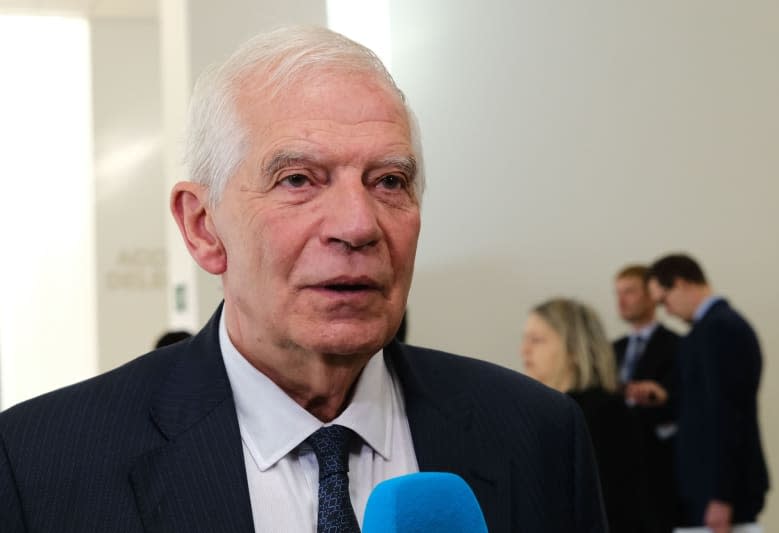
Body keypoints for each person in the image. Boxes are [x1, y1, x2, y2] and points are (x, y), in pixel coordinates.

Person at [0, 27, 606, 532]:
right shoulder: (41, 465)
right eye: (298, 179)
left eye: (389, 181)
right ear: (204, 227)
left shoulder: (538, 435)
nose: (357, 225)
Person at [647, 253, 769, 533]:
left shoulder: (721, 329)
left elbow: (727, 415)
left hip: (719, 490)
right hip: (708, 485)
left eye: (663, 300)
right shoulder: (709, 330)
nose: (666, 310)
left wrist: (721, 496)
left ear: (680, 283)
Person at [521, 298, 646, 533]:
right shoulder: (546, 411)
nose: (524, 350)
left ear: (574, 349)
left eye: (536, 340)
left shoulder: (601, 413)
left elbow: (610, 503)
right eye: (525, 340)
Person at [613, 264, 680, 533]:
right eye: (617, 293)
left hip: (660, 472)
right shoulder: (611, 350)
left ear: (652, 294)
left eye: (629, 291)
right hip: (618, 473)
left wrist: (660, 396)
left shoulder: (678, 346)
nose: (621, 300)